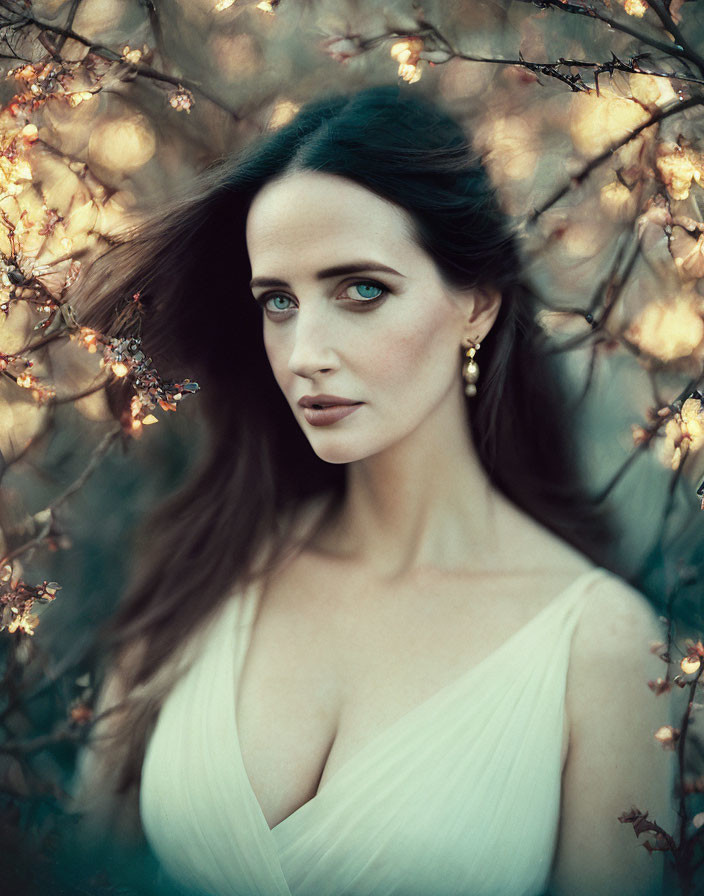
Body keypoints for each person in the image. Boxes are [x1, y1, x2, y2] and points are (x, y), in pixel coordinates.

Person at [68, 83, 676, 896]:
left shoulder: (599, 645)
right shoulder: (209, 566)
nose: (305, 351)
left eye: (362, 290)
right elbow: (79, 866)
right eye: (278, 301)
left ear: (476, 306)